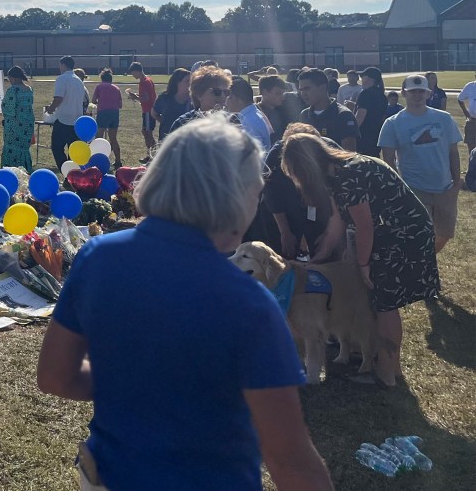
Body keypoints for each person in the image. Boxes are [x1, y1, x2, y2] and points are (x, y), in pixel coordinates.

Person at [38, 118, 332, 491]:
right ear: (232, 196)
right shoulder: (248, 303)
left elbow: (54, 377)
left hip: (108, 475)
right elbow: (292, 462)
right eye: (255, 194)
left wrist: (134, 381)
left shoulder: (97, 256)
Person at [283, 134, 440, 388]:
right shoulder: (336, 176)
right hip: (388, 234)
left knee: (384, 304)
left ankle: (385, 374)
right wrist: (318, 260)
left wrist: (363, 264)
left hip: (404, 235)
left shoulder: (350, 174)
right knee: (382, 302)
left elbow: (365, 226)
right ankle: (393, 369)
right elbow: (338, 221)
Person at [379, 74, 463, 253]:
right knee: (419, 232)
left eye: (421, 91)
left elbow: (453, 151)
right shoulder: (392, 123)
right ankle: (421, 263)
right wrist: (399, 187)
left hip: (444, 187)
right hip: (414, 187)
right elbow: (388, 159)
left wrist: (456, 181)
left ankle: (427, 259)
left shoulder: (444, 118)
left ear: (429, 93)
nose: (417, 95)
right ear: (404, 93)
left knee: (445, 232)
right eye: (412, 92)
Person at [261, 123, 339, 260]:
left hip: (322, 206)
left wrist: (329, 233)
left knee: (325, 248)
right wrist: (285, 232)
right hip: (285, 207)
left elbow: (339, 197)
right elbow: (272, 197)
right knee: (283, 253)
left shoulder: (329, 151)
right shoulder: (275, 156)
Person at [296, 67, 358, 151]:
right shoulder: (304, 114)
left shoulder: (343, 115)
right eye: (301, 90)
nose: (303, 94)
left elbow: (349, 154)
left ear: (322, 88)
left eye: (307, 89)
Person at [169, 65, 241, 133]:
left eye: (226, 92)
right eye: (217, 92)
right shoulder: (183, 123)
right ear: (199, 95)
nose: (223, 96)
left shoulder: (233, 121)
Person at [45, 56, 87, 168]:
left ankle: (66, 170)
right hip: (77, 120)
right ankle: (72, 172)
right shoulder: (79, 81)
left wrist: (50, 109)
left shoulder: (62, 79)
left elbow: (58, 98)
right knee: (73, 150)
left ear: (63, 65)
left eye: (60, 65)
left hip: (64, 120)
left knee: (56, 148)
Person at [1, 66, 35, 171]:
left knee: (12, 149)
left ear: (15, 78)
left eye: (10, 78)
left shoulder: (13, 90)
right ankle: (25, 170)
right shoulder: (29, 89)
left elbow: (9, 109)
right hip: (28, 125)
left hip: (14, 126)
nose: (10, 81)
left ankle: (10, 171)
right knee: (24, 149)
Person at [226, 76, 272, 151]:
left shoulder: (247, 121)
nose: (226, 103)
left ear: (239, 99)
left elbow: (253, 154)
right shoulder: (255, 114)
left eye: (229, 98)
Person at [354, 67, 388, 158]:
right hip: (376, 133)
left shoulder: (365, 94)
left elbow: (361, 114)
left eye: (363, 77)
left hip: (364, 134)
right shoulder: (382, 96)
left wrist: (352, 131)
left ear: (370, 79)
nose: (361, 80)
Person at [92, 70, 123, 168]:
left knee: (99, 137)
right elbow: (120, 105)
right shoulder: (116, 88)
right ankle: (118, 161)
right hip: (114, 114)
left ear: (102, 78)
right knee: (113, 138)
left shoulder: (99, 87)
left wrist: (101, 102)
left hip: (103, 113)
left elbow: (93, 100)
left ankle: (98, 160)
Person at [126, 62, 157, 162]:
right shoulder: (147, 80)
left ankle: (152, 155)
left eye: (133, 73)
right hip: (147, 110)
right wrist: (136, 96)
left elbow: (146, 98)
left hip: (148, 110)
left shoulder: (144, 82)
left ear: (137, 71)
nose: (132, 75)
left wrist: (135, 97)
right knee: (145, 132)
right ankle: (153, 153)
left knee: (147, 133)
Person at [152, 68, 192, 142]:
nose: (190, 84)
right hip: (167, 139)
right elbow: (154, 113)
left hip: (186, 140)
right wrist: (166, 122)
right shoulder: (165, 97)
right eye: (187, 81)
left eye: (191, 81)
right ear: (177, 82)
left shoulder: (193, 99)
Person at [257, 75, 292, 145]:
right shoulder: (255, 113)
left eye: (283, 93)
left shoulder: (285, 113)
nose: (282, 97)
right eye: (278, 93)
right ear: (265, 92)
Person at [457, 70, 476, 158]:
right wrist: (466, 112)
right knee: (471, 148)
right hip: (472, 121)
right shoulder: (470, 86)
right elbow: (460, 99)